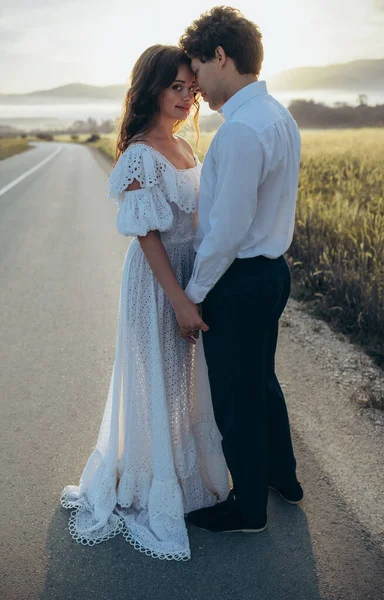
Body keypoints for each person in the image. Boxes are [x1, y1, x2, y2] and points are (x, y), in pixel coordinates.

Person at [61, 44, 229, 561]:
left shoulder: (185, 146)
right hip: (156, 282)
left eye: (190, 88)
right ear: (152, 88)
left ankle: (182, 471)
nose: (185, 97)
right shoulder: (139, 152)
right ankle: (148, 482)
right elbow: (148, 237)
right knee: (156, 376)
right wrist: (179, 300)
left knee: (184, 378)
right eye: (175, 87)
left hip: (185, 275)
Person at [178, 6, 303, 533]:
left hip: (240, 280)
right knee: (261, 380)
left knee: (236, 395)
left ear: (220, 57)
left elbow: (225, 233)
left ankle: (247, 507)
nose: (197, 86)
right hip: (272, 272)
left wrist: (194, 293)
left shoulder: (240, 132)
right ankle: (283, 477)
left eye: (198, 69)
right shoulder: (278, 115)